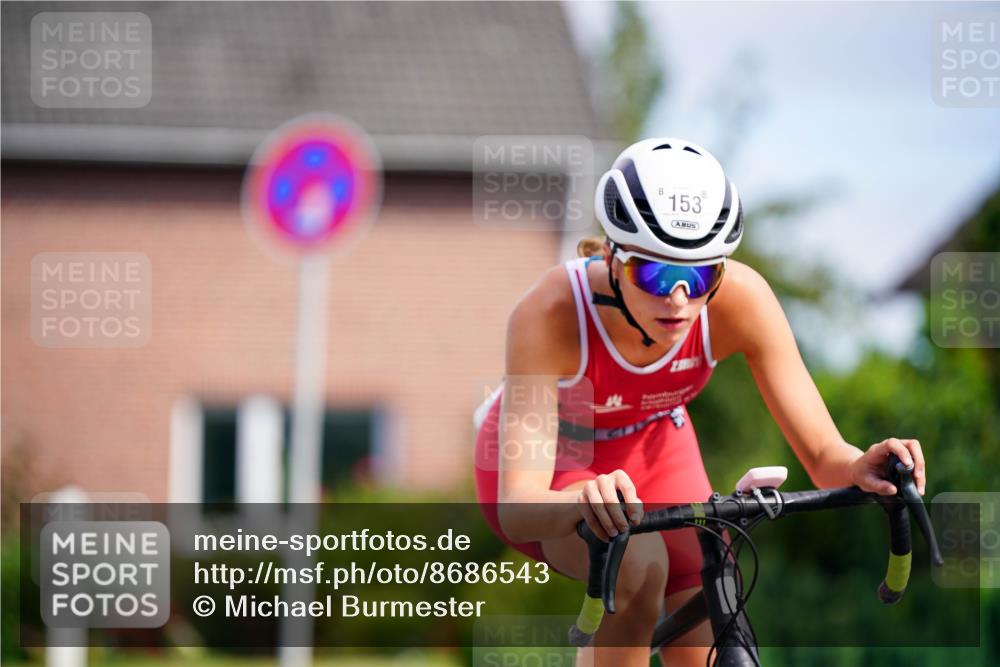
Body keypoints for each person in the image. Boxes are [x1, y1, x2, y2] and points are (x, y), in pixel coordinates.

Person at [473, 137, 927, 667]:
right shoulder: (551, 312)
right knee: (636, 560)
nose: (679, 298)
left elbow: (827, 456)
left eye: (700, 274)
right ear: (615, 259)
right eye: (657, 273)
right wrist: (584, 504)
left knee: (713, 576)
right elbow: (518, 506)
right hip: (557, 463)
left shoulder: (742, 300)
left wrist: (861, 465)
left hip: (654, 442)